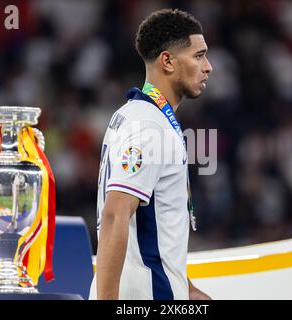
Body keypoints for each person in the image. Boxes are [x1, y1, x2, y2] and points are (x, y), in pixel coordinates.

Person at [89, 8, 213, 300]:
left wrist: (187, 288)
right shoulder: (148, 125)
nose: (208, 66)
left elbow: (148, 229)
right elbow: (114, 214)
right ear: (168, 61)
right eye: (199, 55)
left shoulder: (134, 115)